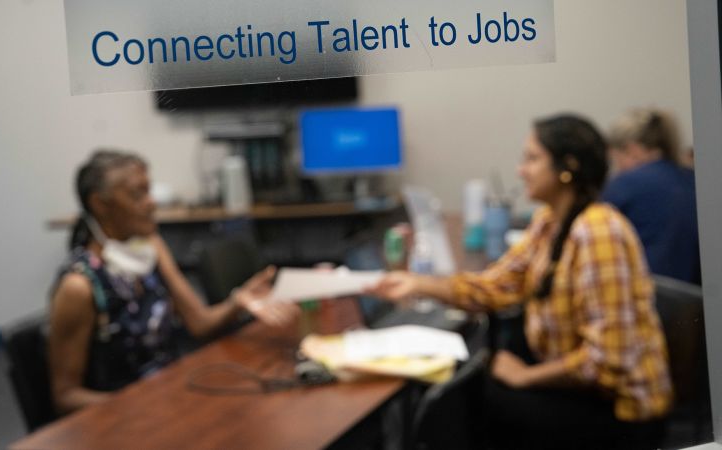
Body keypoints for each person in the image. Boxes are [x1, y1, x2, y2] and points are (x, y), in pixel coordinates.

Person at [366, 115, 672, 450]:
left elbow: (609, 359)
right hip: (581, 392)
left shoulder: (599, 232)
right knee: (470, 390)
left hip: (620, 413)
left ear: (567, 167)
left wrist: (526, 377)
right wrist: (418, 284)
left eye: (532, 158)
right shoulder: (549, 222)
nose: (520, 170)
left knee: (470, 402)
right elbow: (497, 286)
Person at [49, 150, 297, 414]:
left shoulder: (150, 249)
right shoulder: (80, 287)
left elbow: (199, 324)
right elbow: (66, 396)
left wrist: (237, 301)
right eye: (137, 194)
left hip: (171, 397)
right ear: (100, 204)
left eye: (149, 191)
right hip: (129, 416)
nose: (151, 203)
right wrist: (140, 405)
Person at [602, 108, 700, 284]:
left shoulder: (625, 184)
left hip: (649, 290)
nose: (617, 168)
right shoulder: (693, 179)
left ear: (632, 150)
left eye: (616, 159)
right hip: (697, 295)